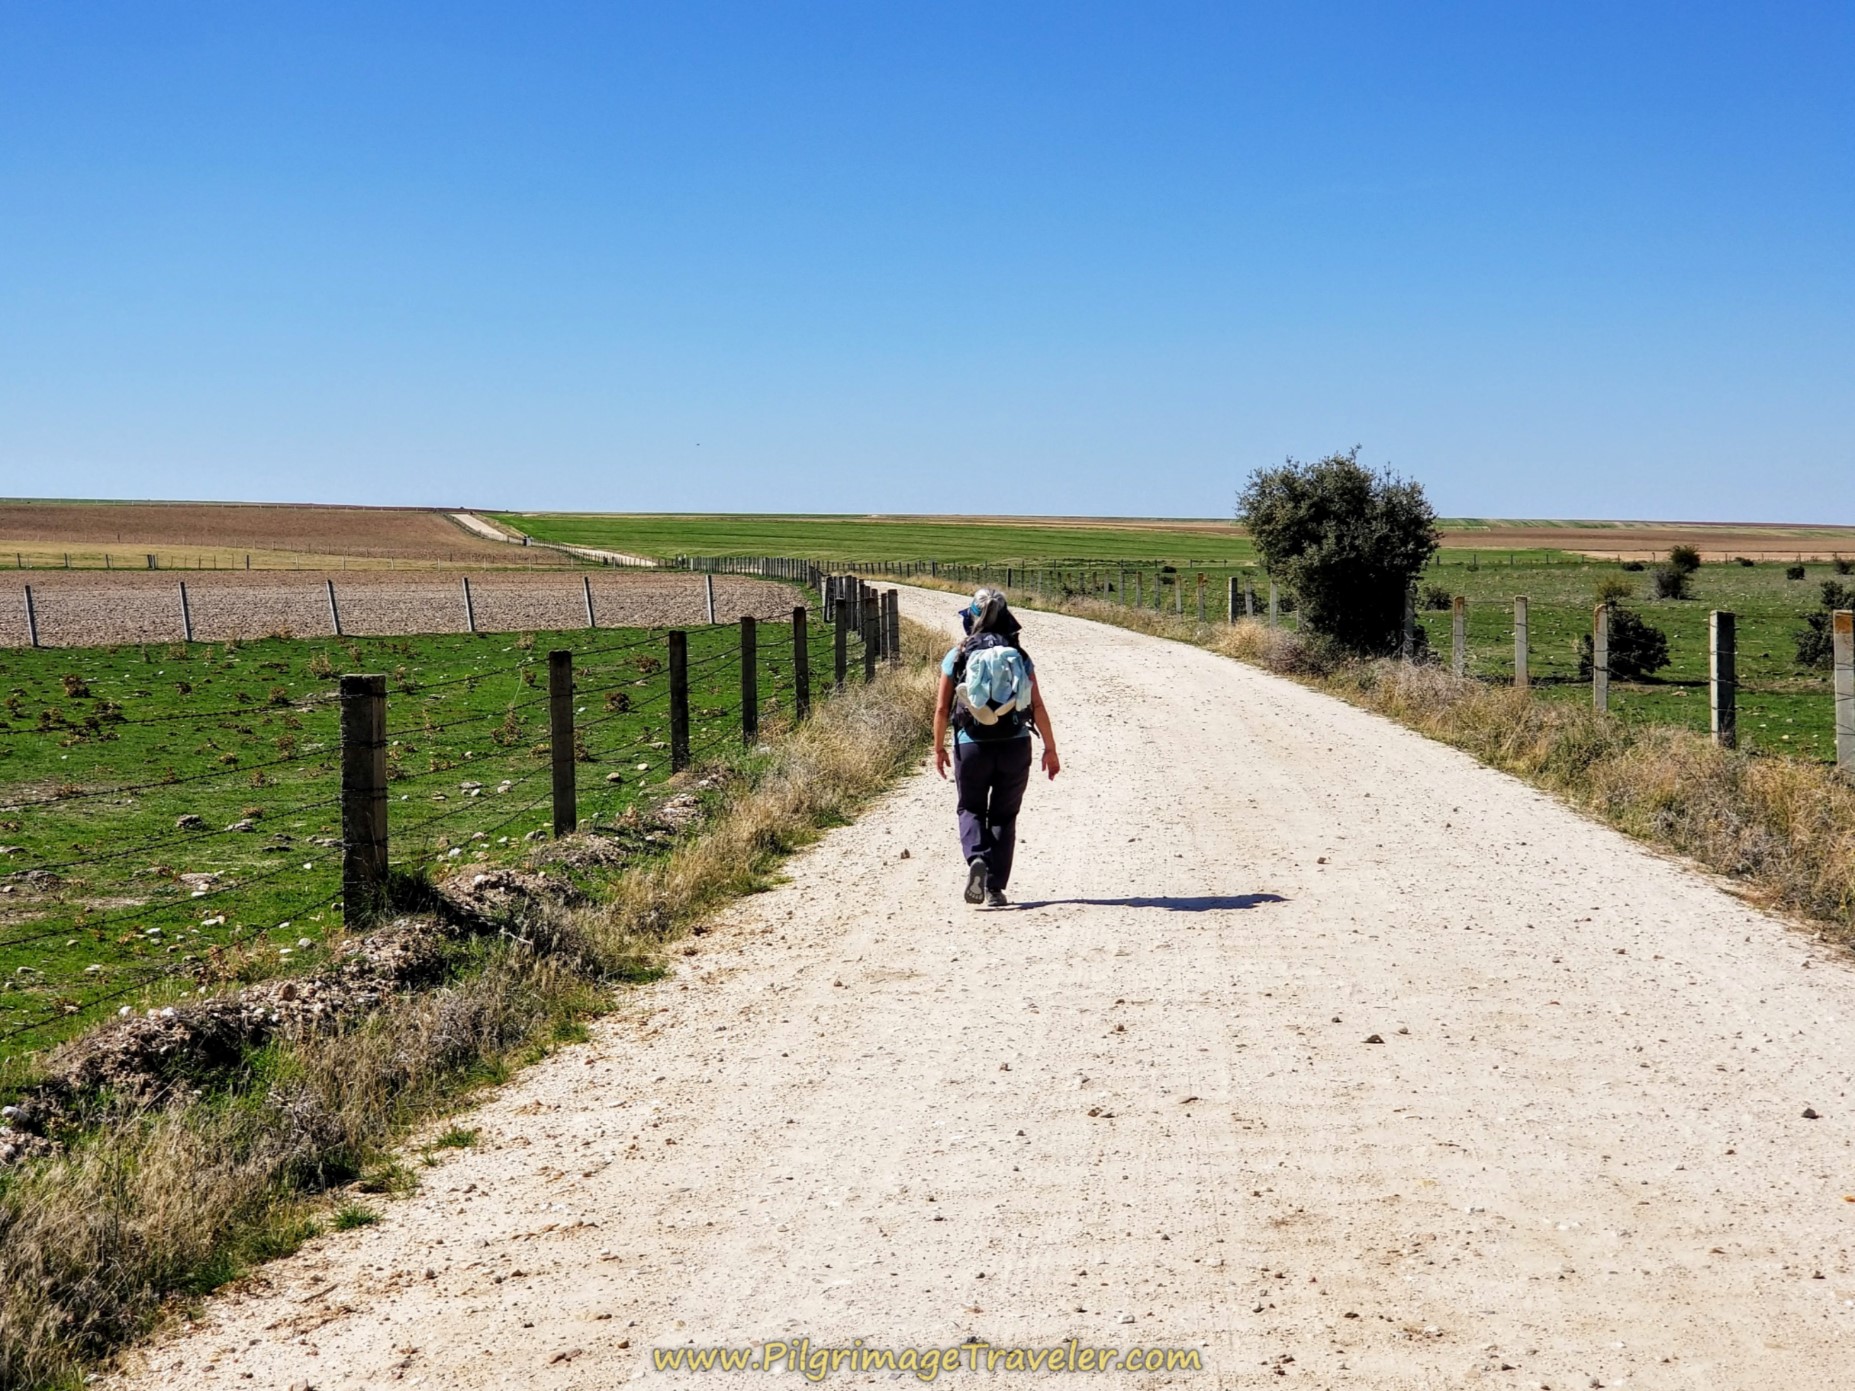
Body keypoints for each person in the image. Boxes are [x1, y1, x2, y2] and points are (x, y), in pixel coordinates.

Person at [931, 588, 1060, 907]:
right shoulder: (1018, 654)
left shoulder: (958, 654)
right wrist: (1050, 748)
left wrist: (938, 748)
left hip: (972, 745)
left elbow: (942, 709)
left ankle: (977, 858)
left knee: (971, 808)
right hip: (1015, 743)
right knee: (1004, 815)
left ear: (972, 617)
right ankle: (995, 889)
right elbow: (1037, 706)